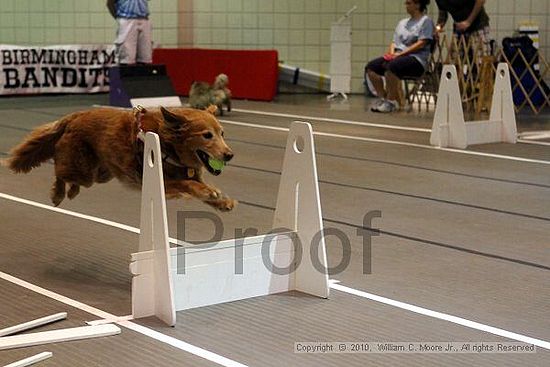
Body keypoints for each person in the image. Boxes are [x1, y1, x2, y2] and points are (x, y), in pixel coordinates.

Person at [365, 0, 433, 113]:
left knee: (391, 66)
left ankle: (391, 102)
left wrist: (401, 54)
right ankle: (383, 98)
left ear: (417, 4)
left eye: (409, 3)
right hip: (398, 56)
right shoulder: (402, 23)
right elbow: (394, 42)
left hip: (416, 59)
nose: (406, 6)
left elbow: (422, 42)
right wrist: (392, 54)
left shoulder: (426, 21)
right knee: (371, 67)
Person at [107, 0, 152, 64]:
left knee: (145, 58)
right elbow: (110, 4)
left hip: (144, 19)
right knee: (127, 58)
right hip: (127, 19)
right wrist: (119, 18)